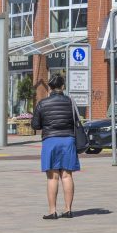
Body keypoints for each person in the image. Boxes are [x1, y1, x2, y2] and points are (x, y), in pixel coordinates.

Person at [31, 74, 80, 220]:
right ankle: (68, 210)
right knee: (67, 175)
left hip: (50, 141)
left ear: (50, 88)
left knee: (52, 177)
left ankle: (52, 211)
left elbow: (35, 125)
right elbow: (76, 121)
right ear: (63, 87)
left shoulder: (42, 103)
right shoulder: (71, 102)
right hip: (68, 140)